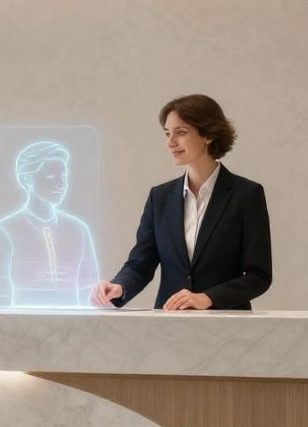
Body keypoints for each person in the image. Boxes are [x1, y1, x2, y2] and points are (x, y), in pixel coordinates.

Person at [90, 94, 271, 311]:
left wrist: (207, 298)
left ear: (209, 134)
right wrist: (118, 286)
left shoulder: (246, 195)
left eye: (181, 132)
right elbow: (141, 264)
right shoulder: (160, 197)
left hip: (227, 326)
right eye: (167, 133)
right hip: (168, 328)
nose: (170, 142)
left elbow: (258, 275)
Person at [0, 140, 100, 307]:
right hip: (19, 324)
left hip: (75, 324)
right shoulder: (5, 230)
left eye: (64, 176)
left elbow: (89, 285)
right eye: (51, 176)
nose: (61, 183)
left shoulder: (79, 229)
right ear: (27, 179)